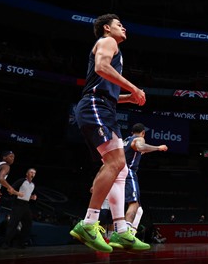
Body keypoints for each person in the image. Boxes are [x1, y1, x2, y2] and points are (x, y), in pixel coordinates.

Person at [70, 13, 149, 253]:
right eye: (119, 24)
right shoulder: (108, 41)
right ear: (107, 28)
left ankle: (122, 232)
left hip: (105, 106)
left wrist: (129, 97)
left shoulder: (115, 49)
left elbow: (111, 91)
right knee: (115, 164)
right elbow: (101, 67)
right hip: (95, 105)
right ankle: (89, 223)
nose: (123, 28)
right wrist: (134, 87)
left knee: (121, 168)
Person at [123, 122, 168, 235]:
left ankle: (129, 233)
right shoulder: (139, 139)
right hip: (128, 173)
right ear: (143, 133)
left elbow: (135, 151)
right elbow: (141, 146)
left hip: (116, 174)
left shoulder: (126, 140)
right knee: (134, 204)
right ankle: (126, 233)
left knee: (138, 209)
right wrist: (158, 147)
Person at [3, 168, 37, 249]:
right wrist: (17, 193)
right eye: (31, 172)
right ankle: (6, 243)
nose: (33, 174)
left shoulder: (33, 184)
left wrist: (32, 197)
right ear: (27, 173)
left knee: (28, 224)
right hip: (17, 204)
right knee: (13, 224)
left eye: (34, 173)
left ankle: (20, 243)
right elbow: (10, 190)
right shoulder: (21, 181)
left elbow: (27, 196)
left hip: (26, 205)